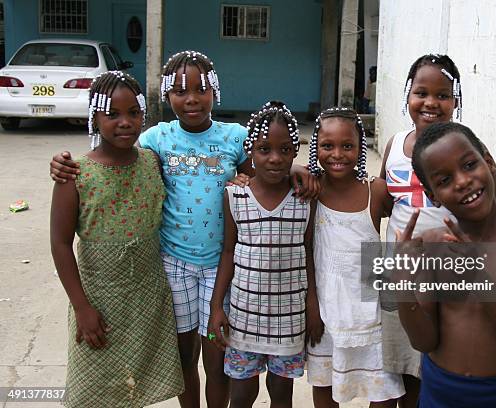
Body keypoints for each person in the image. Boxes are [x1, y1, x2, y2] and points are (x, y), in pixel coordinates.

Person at [48, 51, 318, 408]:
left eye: (200, 89)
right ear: (165, 95)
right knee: (183, 357)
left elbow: (272, 158)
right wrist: (63, 164)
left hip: (222, 267)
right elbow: (114, 154)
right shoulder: (155, 140)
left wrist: (298, 167)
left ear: (215, 91)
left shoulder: (236, 137)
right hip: (173, 263)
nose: (191, 98)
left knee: (217, 359)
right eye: (179, 90)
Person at [395, 122, 496, 407]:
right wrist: (402, 285)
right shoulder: (432, 245)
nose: (462, 181)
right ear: (433, 196)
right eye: (444, 181)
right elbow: (424, 341)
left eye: (469, 165)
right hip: (438, 392)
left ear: (488, 161)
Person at [50, 71, 184, 407]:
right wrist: (82, 307)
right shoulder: (75, 174)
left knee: (137, 385)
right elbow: (60, 243)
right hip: (98, 297)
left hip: (148, 294)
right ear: (94, 117)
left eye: (133, 113)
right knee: (94, 383)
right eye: (112, 115)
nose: (125, 122)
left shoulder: (153, 161)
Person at [378, 54, 496, 407]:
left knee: (433, 367)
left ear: (455, 101)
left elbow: (492, 218)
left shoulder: (467, 150)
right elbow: (386, 203)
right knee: (400, 372)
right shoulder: (394, 147)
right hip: (399, 275)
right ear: (407, 95)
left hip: (448, 280)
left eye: (443, 95)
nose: (431, 103)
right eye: (421, 92)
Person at [207, 101, 323, 408]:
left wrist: (312, 306)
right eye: (264, 149)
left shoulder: (304, 200)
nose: (275, 158)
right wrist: (216, 306)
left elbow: (308, 253)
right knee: (242, 394)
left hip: (289, 320)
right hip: (244, 318)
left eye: (285, 149)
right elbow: (228, 252)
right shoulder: (235, 196)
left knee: (282, 393)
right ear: (250, 151)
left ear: (295, 151)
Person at [306, 107, 405, 407]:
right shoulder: (311, 192)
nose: (337, 154)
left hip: (370, 312)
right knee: (325, 383)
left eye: (347, 146)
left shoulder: (376, 191)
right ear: (315, 148)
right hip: (327, 307)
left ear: (361, 148)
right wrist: (311, 304)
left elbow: (408, 210)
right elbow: (307, 251)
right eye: (327, 146)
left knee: (383, 388)